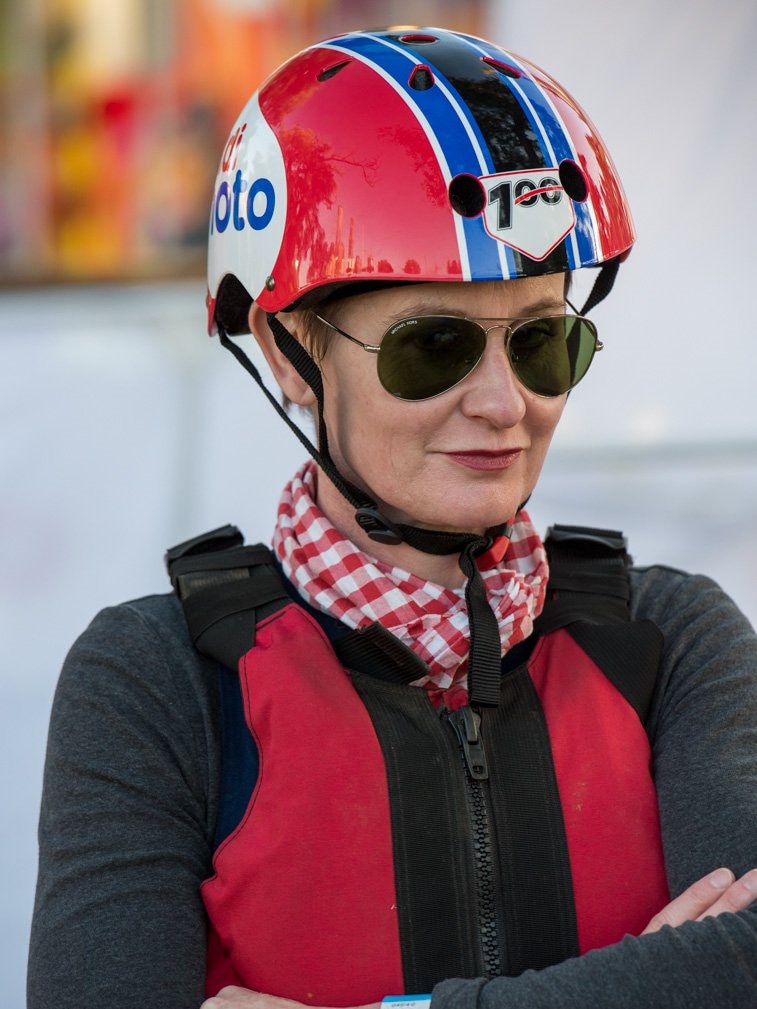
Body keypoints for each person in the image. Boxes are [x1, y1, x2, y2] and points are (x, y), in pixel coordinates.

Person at [28, 25, 757, 1009]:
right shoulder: (154, 678)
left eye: (544, 343)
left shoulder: (674, 637)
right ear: (286, 352)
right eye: (435, 346)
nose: (507, 404)